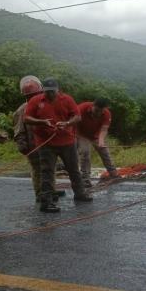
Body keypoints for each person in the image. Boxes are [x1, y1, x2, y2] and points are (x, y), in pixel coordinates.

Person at [24, 78, 93, 213]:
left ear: (58, 89)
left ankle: (80, 193)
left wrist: (66, 123)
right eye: (47, 92)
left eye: (52, 91)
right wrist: (42, 122)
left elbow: (77, 117)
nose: (50, 94)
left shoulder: (67, 100)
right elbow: (26, 119)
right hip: (46, 143)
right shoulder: (35, 101)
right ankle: (46, 202)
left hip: (67, 141)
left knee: (73, 169)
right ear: (43, 90)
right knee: (47, 172)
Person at [13, 76, 62, 202]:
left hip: (47, 144)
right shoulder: (22, 110)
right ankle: (40, 194)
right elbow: (19, 130)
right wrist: (22, 146)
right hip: (32, 146)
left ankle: (50, 191)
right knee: (38, 170)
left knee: (49, 168)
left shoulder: (45, 105)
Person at [77, 98, 120, 188]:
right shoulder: (82, 108)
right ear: (93, 105)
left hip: (96, 135)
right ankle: (85, 179)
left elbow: (104, 129)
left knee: (104, 151)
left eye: (101, 111)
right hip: (81, 134)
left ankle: (114, 174)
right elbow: (74, 121)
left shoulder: (107, 113)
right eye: (96, 110)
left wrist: (101, 141)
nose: (98, 113)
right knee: (85, 152)